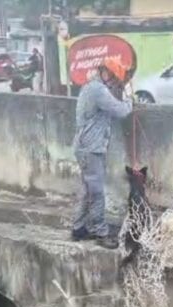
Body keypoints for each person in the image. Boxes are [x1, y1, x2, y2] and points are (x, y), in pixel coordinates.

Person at [71, 57, 134, 249]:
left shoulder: (92, 87)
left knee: (88, 189)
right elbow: (120, 110)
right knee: (96, 192)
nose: (114, 82)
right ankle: (100, 232)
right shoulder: (98, 90)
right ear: (105, 72)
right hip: (90, 148)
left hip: (87, 146)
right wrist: (131, 101)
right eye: (114, 78)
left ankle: (79, 228)